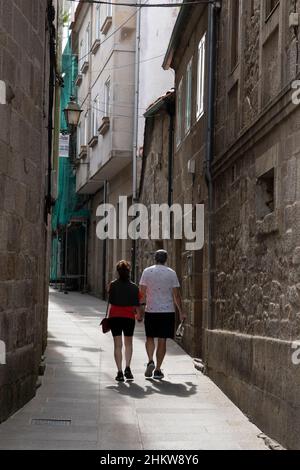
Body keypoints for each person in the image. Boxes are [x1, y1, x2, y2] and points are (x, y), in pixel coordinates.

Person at [139, 250, 186, 380]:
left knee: (149, 337)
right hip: (167, 311)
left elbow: (141, 293)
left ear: (155, 258)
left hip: (151, 310)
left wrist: (140, 311)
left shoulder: (147, 272)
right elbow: (176, 295)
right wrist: (181, 312)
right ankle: (158, 370)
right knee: (162, 340)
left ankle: (150, 361)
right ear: (166, 259)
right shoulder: (171, 273)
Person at [108, 260, 141, 382]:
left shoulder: (112, 285)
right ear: (129, 272)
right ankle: (128, 368)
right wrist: (139, 316)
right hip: (128, 317)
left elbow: (110, 300)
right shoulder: (134, 287)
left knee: (117, 345)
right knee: (128, 344)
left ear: (118, 271)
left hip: (115, 316)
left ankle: (119, 372)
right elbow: (137, 306)